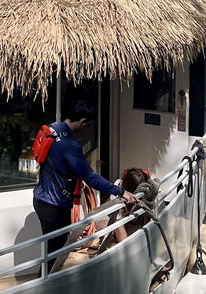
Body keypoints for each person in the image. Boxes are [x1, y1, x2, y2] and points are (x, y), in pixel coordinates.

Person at [31, 100, 131, 260]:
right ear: (83, 121)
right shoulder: (69, 145)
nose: (86, 130)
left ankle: (46, 279)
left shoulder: (52, 128)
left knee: (51, 249)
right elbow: (90, 178)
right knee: (57, 253)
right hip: (54, 206)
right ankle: (48, 282)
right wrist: (121, 191)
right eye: (88, 126)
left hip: (41, 199)